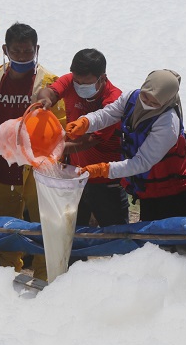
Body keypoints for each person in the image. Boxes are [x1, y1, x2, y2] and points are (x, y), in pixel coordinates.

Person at [0, 23, 65, 280]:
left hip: (37, 173)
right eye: (17, 51)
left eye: (27, 51)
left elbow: (60, 127)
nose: (22, 56)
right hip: (1, 167)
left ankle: (45, 279)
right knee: (5, 229)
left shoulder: (49, 85)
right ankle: (6, 277)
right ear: (5, 49)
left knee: (44, 229)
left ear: (37, 49)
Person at [66, 69, 186, 222]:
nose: (147, 103)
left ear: (166, 100)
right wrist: (85, 122)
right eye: (145, 96)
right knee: (148, 234)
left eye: (155, 102)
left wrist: (104, 169)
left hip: (173, 192)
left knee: (172, 237)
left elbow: (142, 162)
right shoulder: (131, 98)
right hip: (147, 189)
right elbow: (108, 114)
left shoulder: (168, 124)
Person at [35, 49, 129, 226]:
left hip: (106, 180)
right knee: (72, 230)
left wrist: (53, 149)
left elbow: (89, 141)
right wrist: (44, 101)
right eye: (76, 81)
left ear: (102, 78)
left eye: (85, 83)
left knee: (116, 234)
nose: (78, 86)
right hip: (74, 177)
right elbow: (49, 92)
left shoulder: (114, 100)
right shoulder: (70, 81)